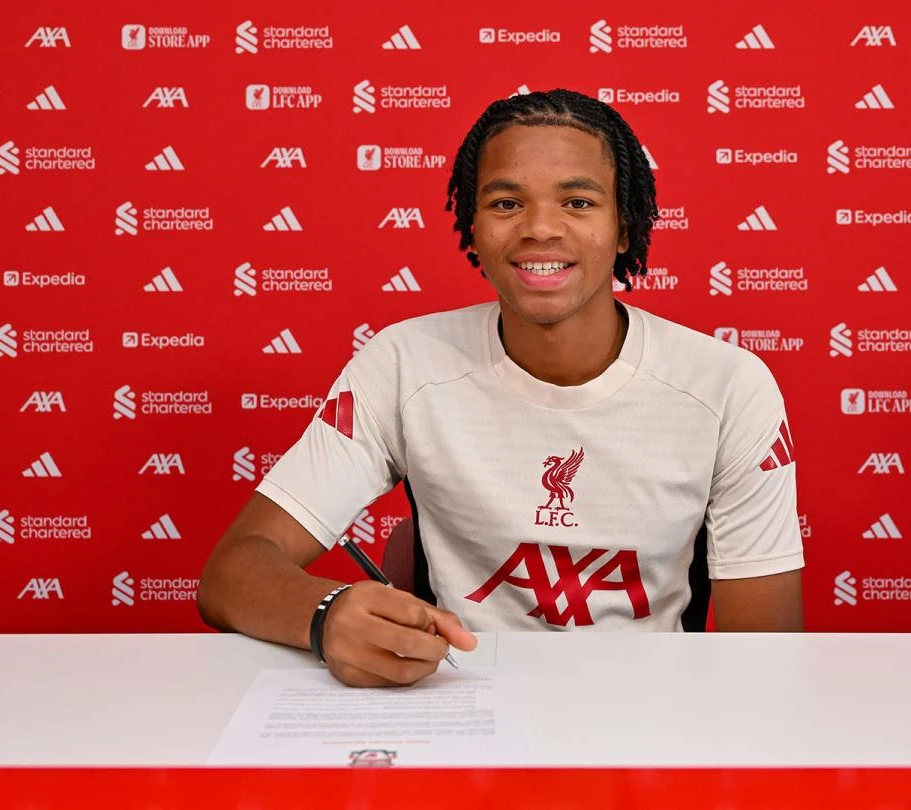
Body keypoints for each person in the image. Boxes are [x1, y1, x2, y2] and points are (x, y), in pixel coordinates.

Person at [197, 89, 804, 688]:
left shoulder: (727, 387)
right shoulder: (404, 363)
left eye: (578, 202)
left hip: (649, 713)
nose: (540, 228)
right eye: (507, 203)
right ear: (473, 227)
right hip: (458, 707)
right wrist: (325, 614)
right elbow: (231, 574)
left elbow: (765, 661)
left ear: (625, 227)